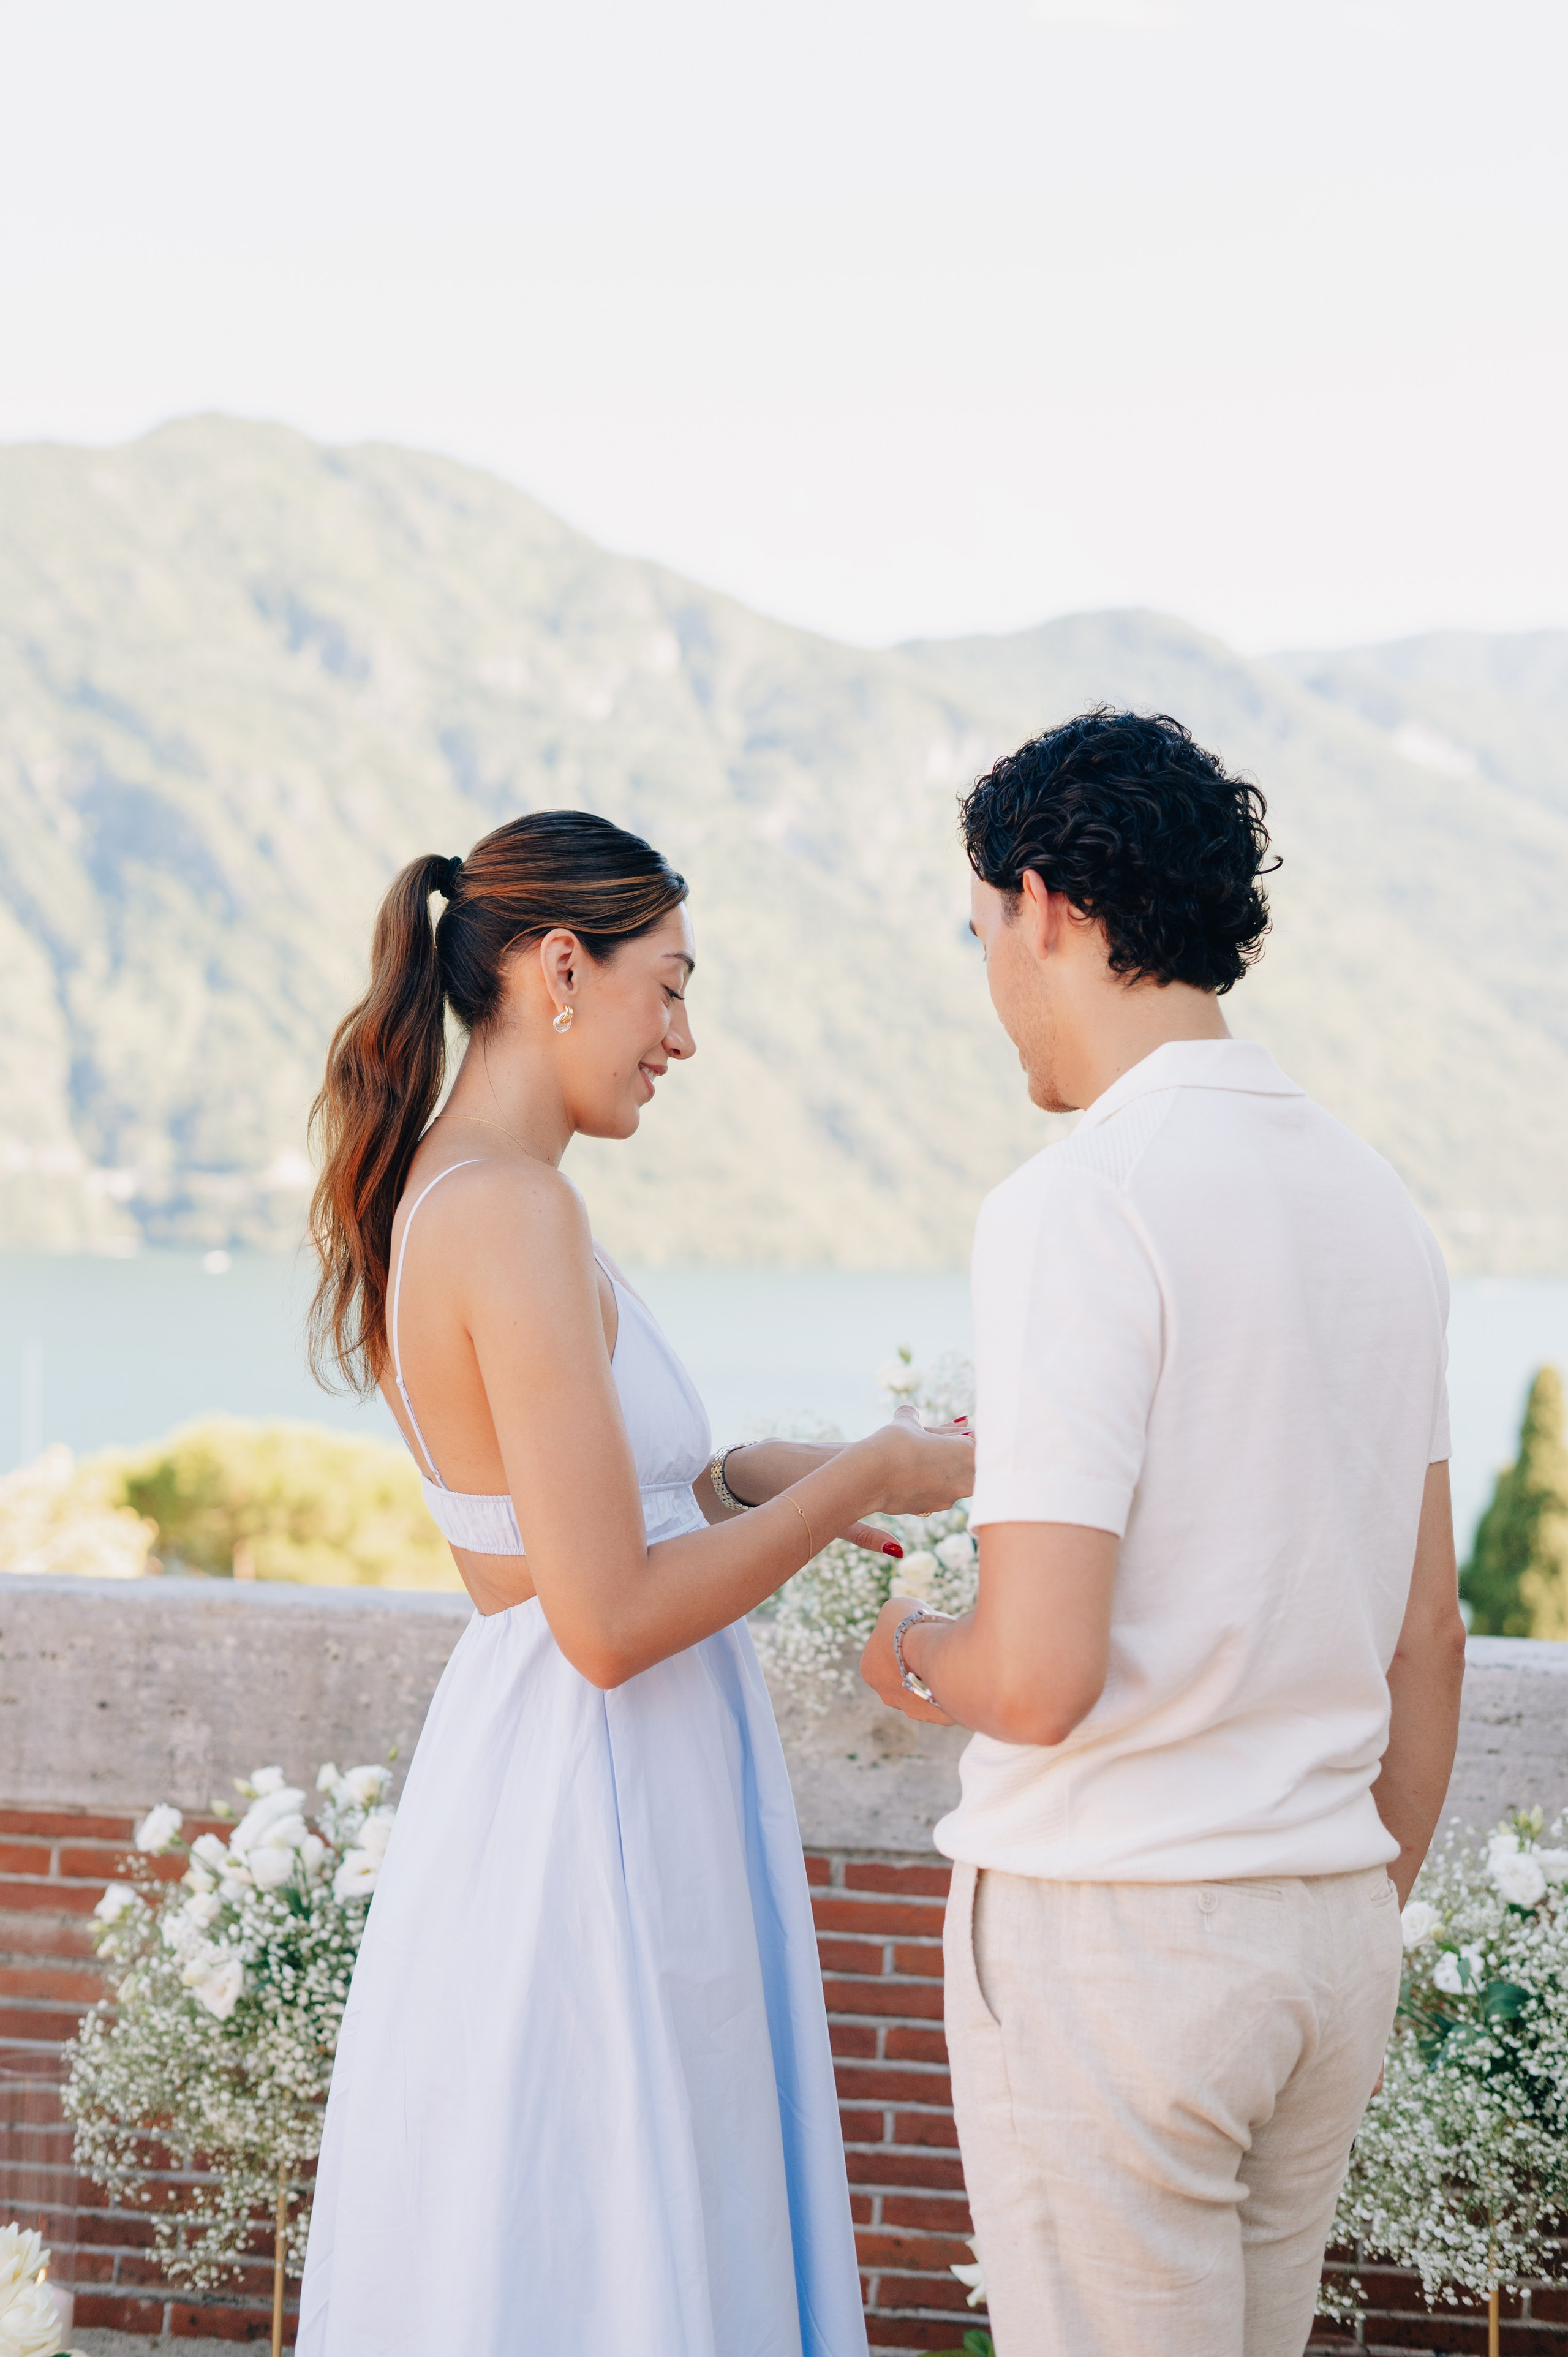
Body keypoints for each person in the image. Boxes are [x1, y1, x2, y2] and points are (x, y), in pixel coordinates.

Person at [296, 809, 973, 2356]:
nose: (683, 1036)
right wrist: (868, 1475)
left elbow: (562, 1533)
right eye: (666, 985)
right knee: (624, 2247)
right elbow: (594, 1621)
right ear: (557, 968)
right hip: (602, 1796)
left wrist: (749, 1476)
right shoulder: (514, 1211)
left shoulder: (458, 1191)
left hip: (561, 1782)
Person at [860, 712, 1466, 2357]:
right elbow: (1429, 1637)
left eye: (980, 928)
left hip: (1116, 1938)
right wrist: (1339, 1892)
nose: (989, 973)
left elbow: (1037, 1674)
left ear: (1043, 903)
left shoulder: (1079, 1202)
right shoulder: (1377, 1205)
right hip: (1325, 1927)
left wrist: (908, 1650)